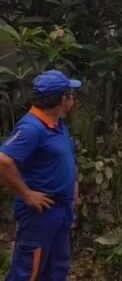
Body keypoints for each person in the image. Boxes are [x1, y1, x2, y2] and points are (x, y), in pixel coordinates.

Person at [0, 70, 82, 281]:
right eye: (71, 94)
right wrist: (27, 194)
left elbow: (63, 160)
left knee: (57, 268)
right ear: (63, 99)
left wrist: (72, 190)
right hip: (41, 212)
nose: (73, 98)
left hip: (61, 209)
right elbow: (3, 160)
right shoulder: (32, 128)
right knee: (29, 271)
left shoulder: (57, 124)